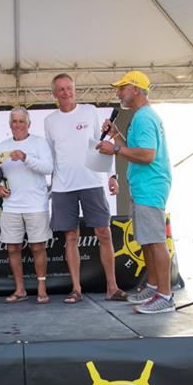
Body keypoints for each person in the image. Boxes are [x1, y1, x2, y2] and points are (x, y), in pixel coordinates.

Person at [44, 73, 128, 304]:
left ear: (74, 89)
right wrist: (49, 186)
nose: (65, 92)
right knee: (71, 237)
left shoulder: (90, 110)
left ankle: (112, 287)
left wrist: (112, 176)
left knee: (105, 233)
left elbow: (102, 145)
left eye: (69, 88)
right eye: (60, 89)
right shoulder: (50, 121)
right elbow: (51, 156)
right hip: (63, 186)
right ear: (54, 94)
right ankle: (76, 289)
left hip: (92, 182)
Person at [97, 70, 174, 314]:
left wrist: (114, 150)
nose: (118, 93)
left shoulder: (144, 117)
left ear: (136, 90)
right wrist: (116, 136)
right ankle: (153, 287)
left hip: (150, 185)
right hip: (144, 185)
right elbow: (136, 149)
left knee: (156, 241)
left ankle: (165, 296)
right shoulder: (142, 116)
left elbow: (147, 155)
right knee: (148, 242)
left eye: (122, 88)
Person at [0, 107, 54, 304]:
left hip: (36, 204)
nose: (18, 124)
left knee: (38, 248)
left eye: (21, 121)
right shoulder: (3, 145)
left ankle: (42, 288)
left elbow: (48, 168)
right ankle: (20, 290)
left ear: (29, 124)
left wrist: (25, 157)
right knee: (12, 248)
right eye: (14, 121)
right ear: (10, 125)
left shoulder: (39, 143)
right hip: (11, 206)